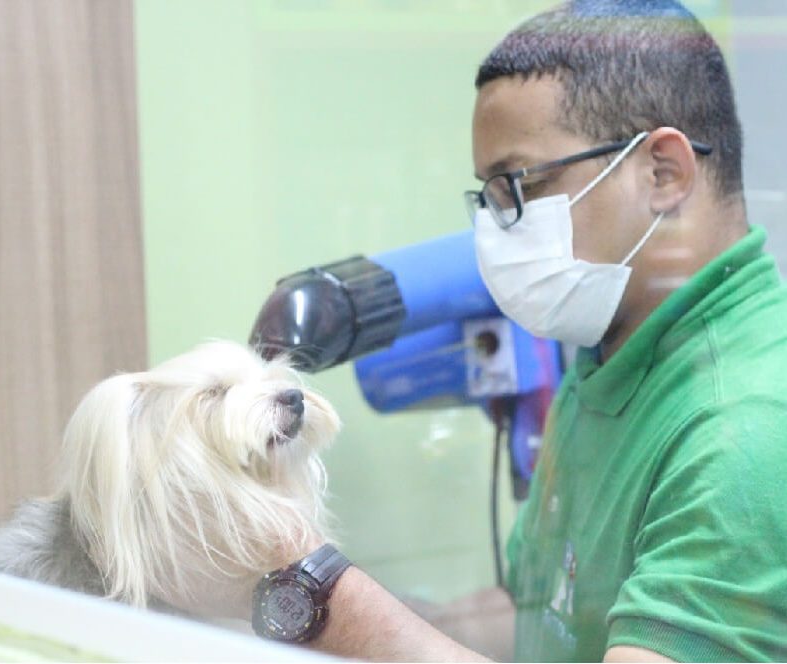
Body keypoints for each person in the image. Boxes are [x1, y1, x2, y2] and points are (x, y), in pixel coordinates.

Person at [250, 0, 787, 660]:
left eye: (516, 186)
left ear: (663, 173)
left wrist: (312, 589)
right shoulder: (611, 358)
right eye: (488, 196)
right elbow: (545, 615)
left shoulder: (747, 430)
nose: (493, 231)